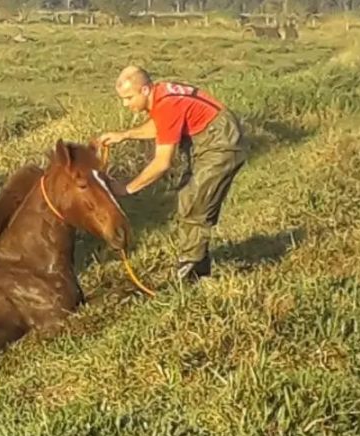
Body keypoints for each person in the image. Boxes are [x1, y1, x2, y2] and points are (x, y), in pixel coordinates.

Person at [98, 65, 248, 282]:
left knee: (196, 202)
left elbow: (161, 163)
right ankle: (198, 266)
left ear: (145, 90)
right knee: (188, 198)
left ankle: (189, 271)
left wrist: (126, 189)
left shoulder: (167, 104)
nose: (125, 104)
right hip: (208, 136)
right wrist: (125, 135)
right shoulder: (162, 95)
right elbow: (162, 126)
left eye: (129, 98)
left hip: (220, 141)